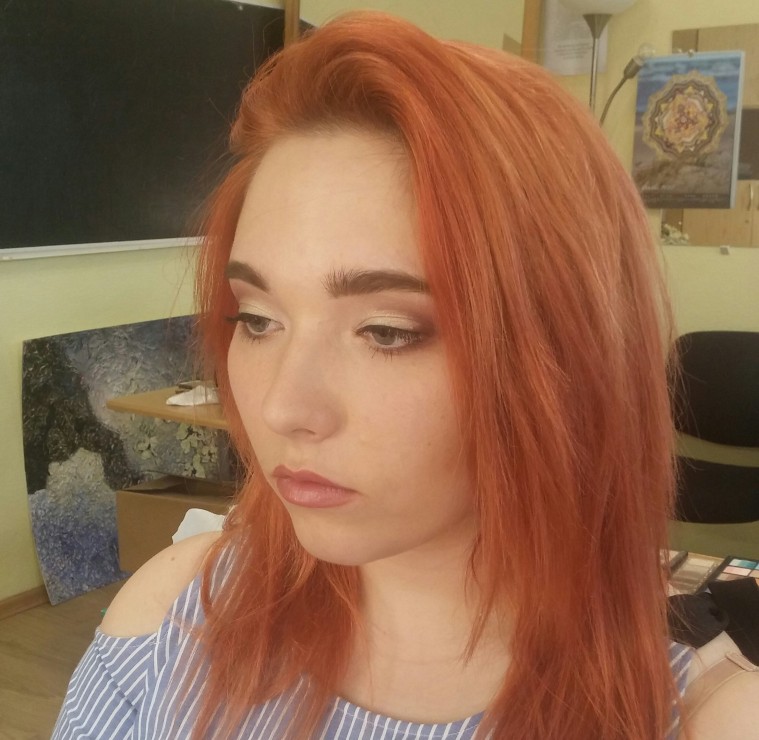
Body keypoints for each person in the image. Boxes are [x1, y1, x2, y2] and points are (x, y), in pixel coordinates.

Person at [52, 12, 759, 740]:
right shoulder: (174, 620)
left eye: (386, 332)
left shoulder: (705, 717)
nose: (282, 408)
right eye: (257, 319)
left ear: (567, 354)